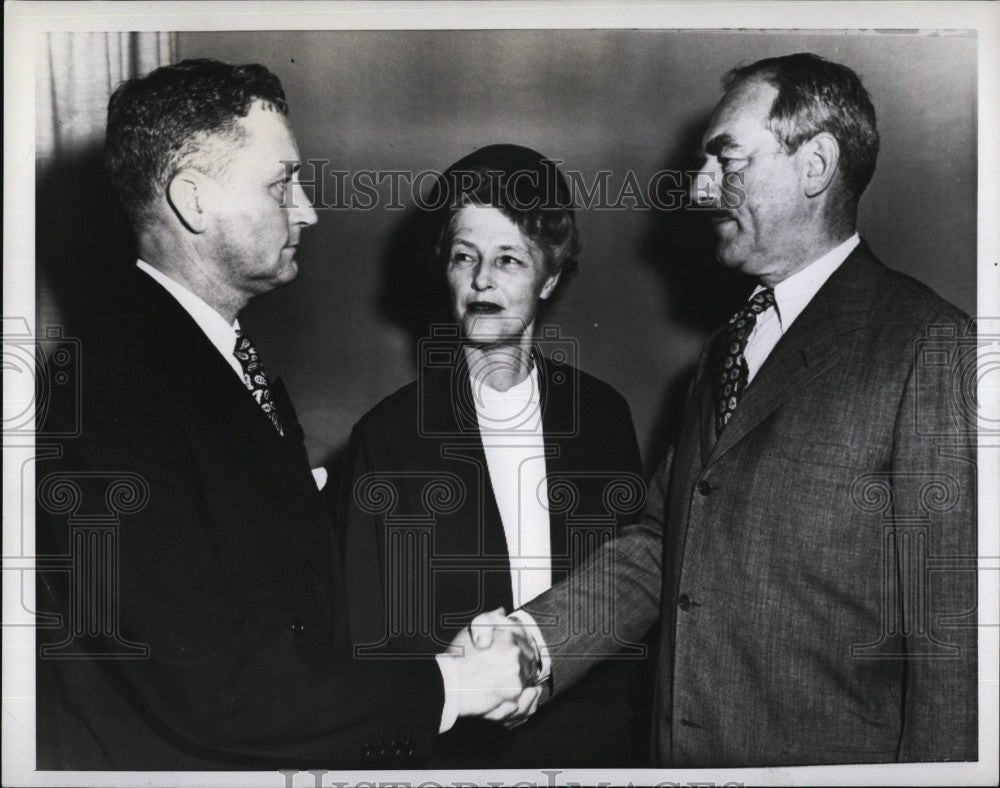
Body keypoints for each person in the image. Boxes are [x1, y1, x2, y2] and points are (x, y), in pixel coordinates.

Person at [478, 52, 978, 766]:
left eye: (726, 159)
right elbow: (663, 543)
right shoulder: (728, 348)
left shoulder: (931, 346)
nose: (699, 188)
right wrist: (534, 642)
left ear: (815, 165)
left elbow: (954, 654)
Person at [33, 58, 532, 770]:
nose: (307, 209)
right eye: (281, 184)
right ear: (192, 201)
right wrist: (455, 682)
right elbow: (219, 685)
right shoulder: (109, 392)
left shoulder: (203, 357)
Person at [339, 144, 649, 767]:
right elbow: (374, 647)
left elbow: (631, 599)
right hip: (451, 758)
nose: (482, 280)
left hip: (592, 752)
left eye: (509, 259)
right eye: (465, 257)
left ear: (550, 277)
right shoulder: (388, 438)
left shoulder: (603, 418)